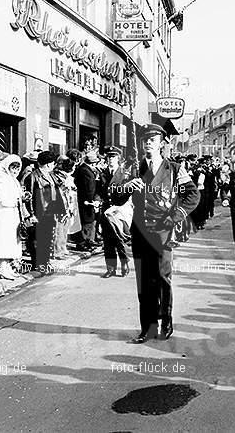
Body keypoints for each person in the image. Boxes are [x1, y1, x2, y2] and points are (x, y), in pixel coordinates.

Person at [120, 124, 199, 344]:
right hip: (141, 231)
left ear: (162, 143)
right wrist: (126, 187)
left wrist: (176, 216)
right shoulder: (133, 168)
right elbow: (113, 193)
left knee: (163, 278)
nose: (148, 143)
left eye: (153, 139)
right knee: (145, 280)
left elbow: (192, 195)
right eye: (145, 139)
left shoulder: (174, 168)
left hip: (164, 231)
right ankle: (147, 327)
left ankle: (167, 321)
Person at [22, 151, 66, 274]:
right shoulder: (33, 176)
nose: (53, 165)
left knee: (47, 238)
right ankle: (38, 264)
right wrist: (31, 214)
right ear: (48, 164)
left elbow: (56, 193)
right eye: (52, 163)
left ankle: (45, 262)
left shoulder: (51, 175)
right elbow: (29, 196)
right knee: (37, 238)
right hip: (39, 212)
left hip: (50, 211)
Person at [0, 154, 25, 280]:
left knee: (12, 240)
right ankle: (2, 267)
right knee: (3, 240)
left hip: (13, 213)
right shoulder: (1, 178)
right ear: (7, 167)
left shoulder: (14, 180)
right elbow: (2, 198)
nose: (15, 171)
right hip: (4, 213)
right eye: (13, 168)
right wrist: (14, 201)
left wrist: (22, 197)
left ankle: (8, 267)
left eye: (17, 168)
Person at [98, 146, 130, 278]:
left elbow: (129, 191)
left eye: (114, 157)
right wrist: (96, 200)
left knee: (119, 239)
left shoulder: (124, 174)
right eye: (109, 157)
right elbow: (98, 191)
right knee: (107, 241)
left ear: (119, 159)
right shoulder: (102, 173)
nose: (111, 159)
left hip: (119, 209)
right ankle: (110, 269)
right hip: (106, 210)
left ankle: (124, 264)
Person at [73, 150, 100, 251]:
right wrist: (92, 201)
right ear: (93, 163)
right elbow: (89, 189)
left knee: (88, 221)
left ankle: (88, 242)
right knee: (87, 222)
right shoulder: (86, 171)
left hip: (84, 200)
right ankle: (85, 242)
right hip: (87, 201)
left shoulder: (83, 169)